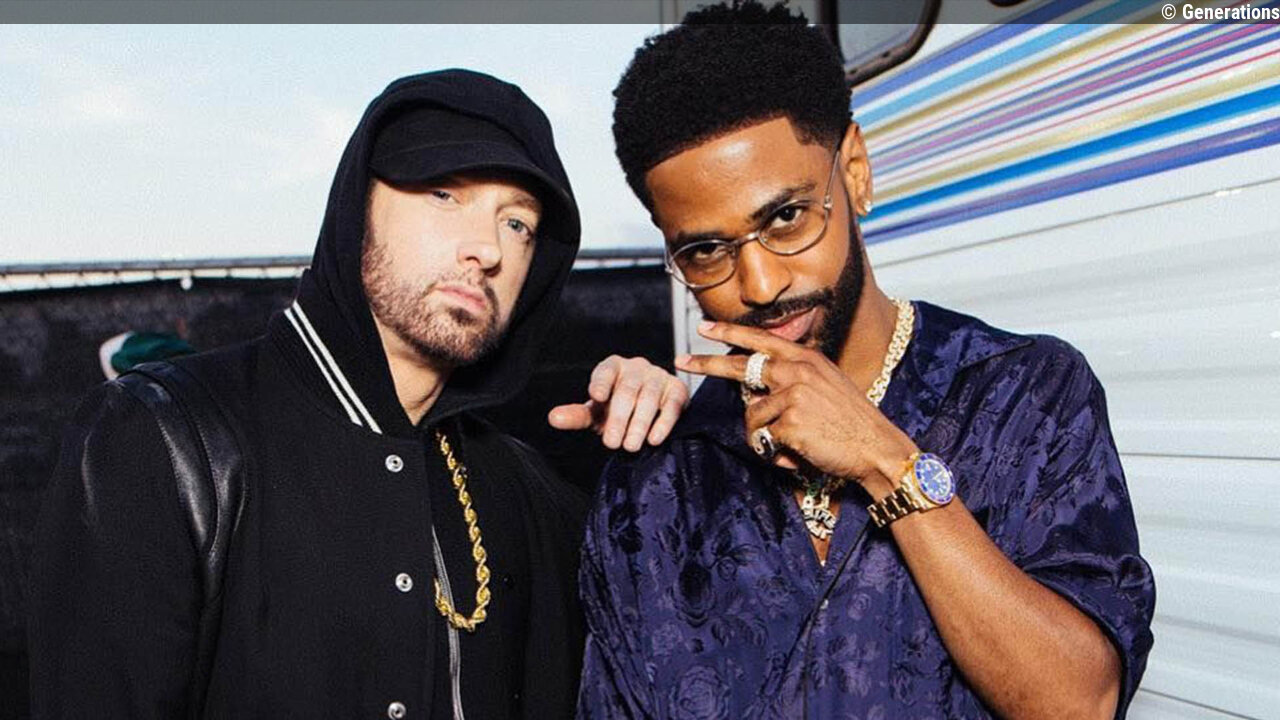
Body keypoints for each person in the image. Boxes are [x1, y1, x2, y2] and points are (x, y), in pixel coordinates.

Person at [29, 69, 688, 719]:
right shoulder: (163, 438)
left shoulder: (522, 485)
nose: (486, 248)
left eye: (517, 223)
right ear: (357, 209)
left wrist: (661, 452)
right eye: (444, 193)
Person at [578, 4, 1156, 719]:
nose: (760, 284)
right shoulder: (655, 486)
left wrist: (884, 461)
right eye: (705, 251)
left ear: (853, 171)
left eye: (786, 217)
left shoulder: (1023, 395)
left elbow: (1079, 705)